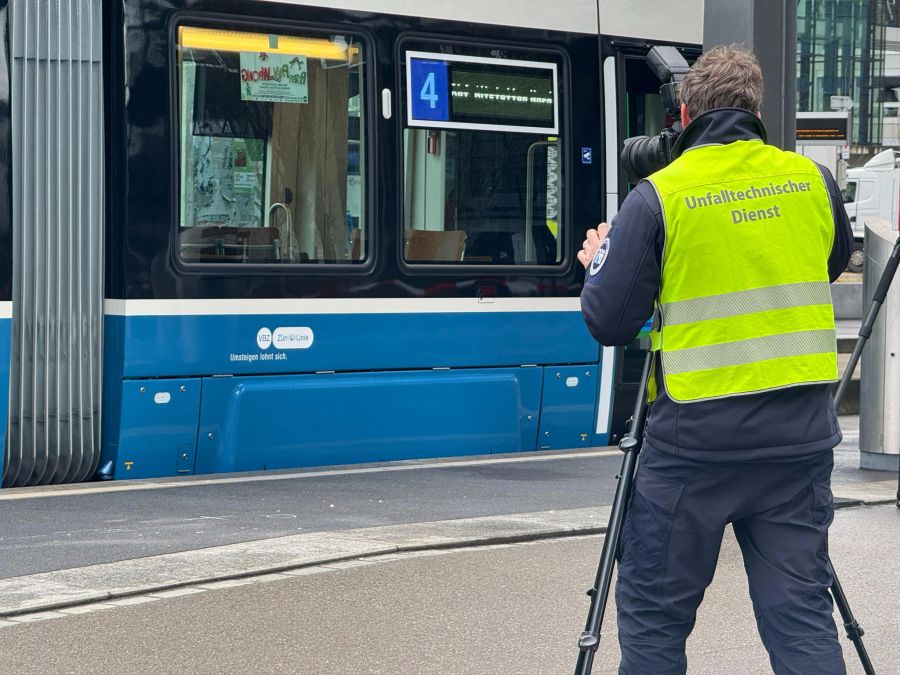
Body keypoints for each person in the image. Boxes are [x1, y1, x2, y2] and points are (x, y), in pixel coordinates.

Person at [578, 45, 852, 675]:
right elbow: (829, 262)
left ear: (684, 110)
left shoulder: (659, 196)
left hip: (692, 450)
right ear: (755, 108)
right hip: (798, 443)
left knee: (654, 619)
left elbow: (610, 319)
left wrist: (600, 258)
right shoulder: (811, 181)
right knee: (801, 615)